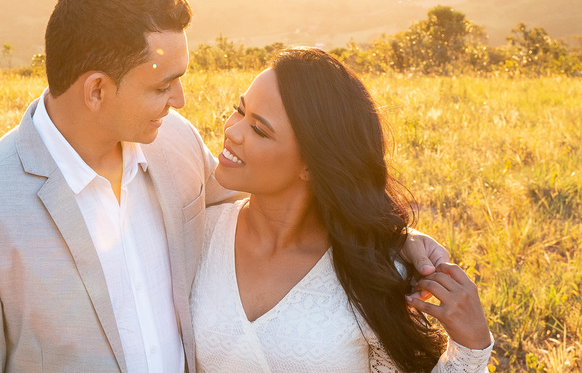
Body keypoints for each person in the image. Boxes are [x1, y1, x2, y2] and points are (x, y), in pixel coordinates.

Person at [0, 0, 451, 373]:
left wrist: (388, 241)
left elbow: (269, 207)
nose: (180, 99)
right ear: (97, 90)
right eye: (161, 85)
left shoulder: (173, 144)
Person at [191, 47, 493, 373]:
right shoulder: (198, 233)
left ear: (312, 164)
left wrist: (471, 346)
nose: (231, 131)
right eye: (240, 110)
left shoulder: (371, 271)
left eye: (259, 129)